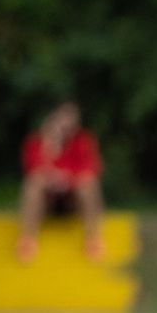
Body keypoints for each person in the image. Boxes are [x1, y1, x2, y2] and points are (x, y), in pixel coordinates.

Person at [17, 101, 105, 263]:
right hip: (47, 200)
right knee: (33, 183)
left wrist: (67, 178)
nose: (67, 124)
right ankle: (28, 239)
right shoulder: (37, 141)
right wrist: (49, 146)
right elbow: (32, 167)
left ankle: (93, 239)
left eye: (71, 120)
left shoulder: (83, 140)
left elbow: (91, 167)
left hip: (73, 199)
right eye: (63, 118)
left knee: (88, 183)